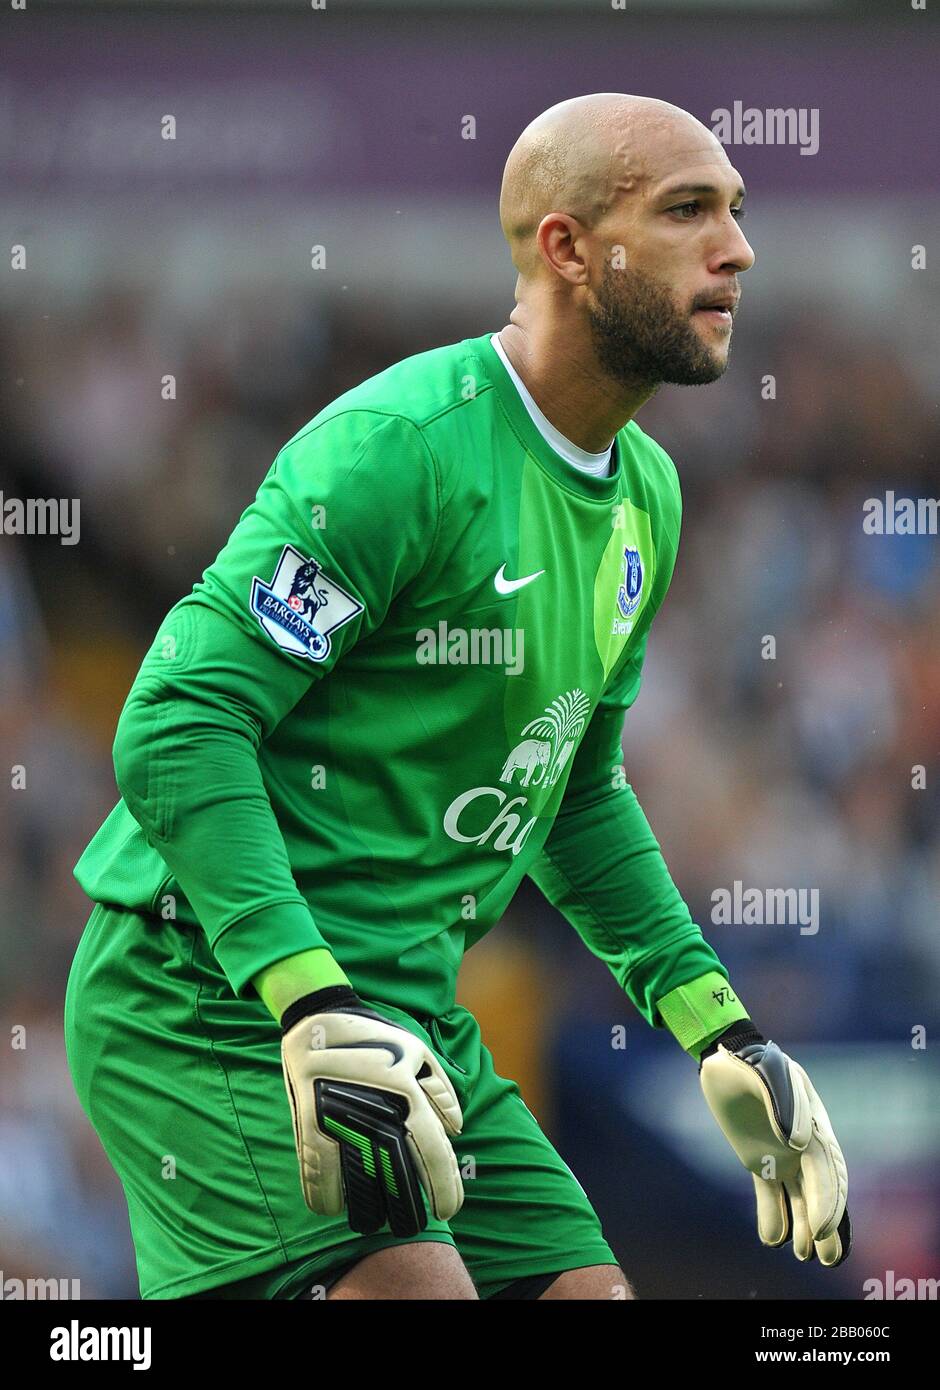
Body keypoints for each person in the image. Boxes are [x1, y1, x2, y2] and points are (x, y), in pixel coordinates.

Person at [64, 92, 849, 1301]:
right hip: (217, 995)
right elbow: (178, 723)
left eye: (736, 212)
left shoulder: (646, 496)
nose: (736, 246)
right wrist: (307, 999)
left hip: (407, 1013)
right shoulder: (398, 451)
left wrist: (721, 1029)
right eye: (687, 209)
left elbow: (572, 792)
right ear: (567, 248)